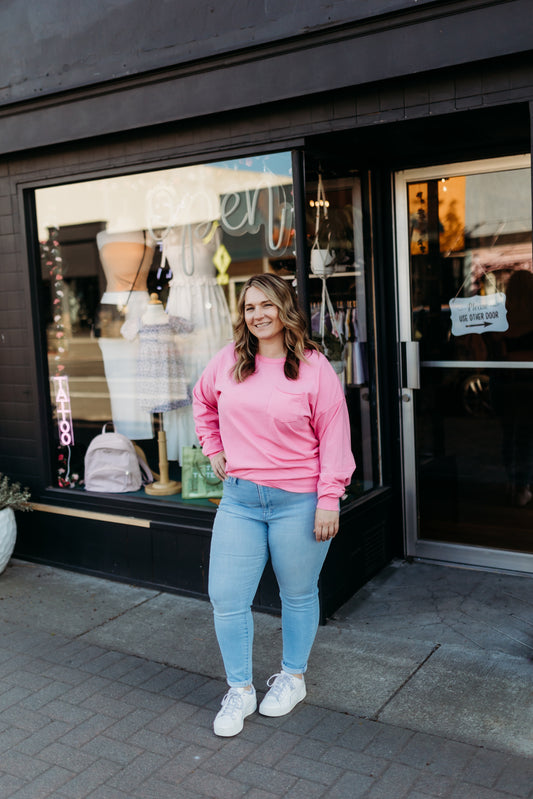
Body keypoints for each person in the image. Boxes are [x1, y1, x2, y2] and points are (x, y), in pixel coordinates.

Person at [192, 273, 355, 737]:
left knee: (298, 594)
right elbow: (202, 403)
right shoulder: (228, 361)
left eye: (267, 305)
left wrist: (330, 499)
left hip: (299, 502)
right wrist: (213, 447)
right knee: (226, 597)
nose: (258, 315)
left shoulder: (313, 366)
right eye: (249, 308)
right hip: (240, 500)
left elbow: (334, 435)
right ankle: (240, 690)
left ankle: (293, 677)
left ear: (284, 309)